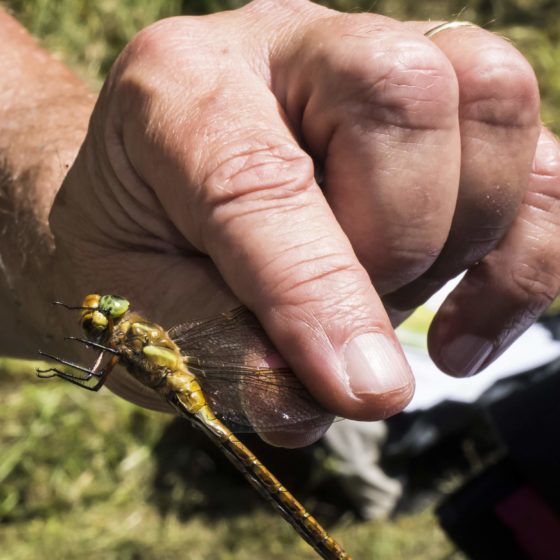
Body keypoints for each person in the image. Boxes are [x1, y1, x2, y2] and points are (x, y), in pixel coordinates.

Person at [1, 0, 559, 450]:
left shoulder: (136, 341)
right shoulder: (143, 339)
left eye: (106, 314)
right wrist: (60, 258)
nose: (105, 311)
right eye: (103, 320)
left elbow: (95, 366)